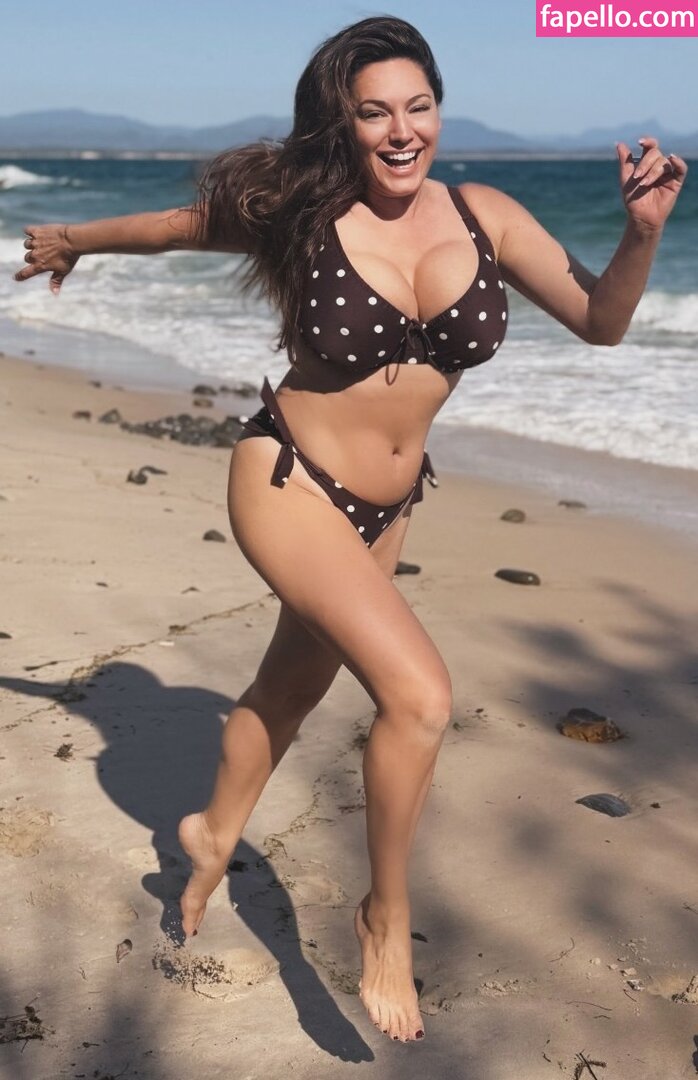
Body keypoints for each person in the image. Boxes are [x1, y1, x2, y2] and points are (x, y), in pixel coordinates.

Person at [14, 15, 686, 1046]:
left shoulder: (486, 215)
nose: (402, 129)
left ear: (439, 111)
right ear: (342, 123)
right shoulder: (306, 214)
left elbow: (601, 321)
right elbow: (177, 227)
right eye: (375, 112)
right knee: (419, 697)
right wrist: (73, 239)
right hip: (286, 476)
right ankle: (385, 917)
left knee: (291, 686)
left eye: (419, 106)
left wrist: (640, 233)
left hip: (387, 509)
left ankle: (208, 835)